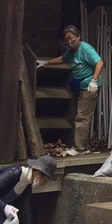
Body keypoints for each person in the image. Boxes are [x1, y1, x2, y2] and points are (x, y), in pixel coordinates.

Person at [40, 24, 103, 155]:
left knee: (82, 117)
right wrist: (45, 62)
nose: (69, 42)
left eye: (71, 38)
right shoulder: (71, 51)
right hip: (79, 84)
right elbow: (62, 59)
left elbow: (99, 63)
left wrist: (94, 80)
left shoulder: (86, 49)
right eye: (66, 40)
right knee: (77, 114)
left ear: (78, 37)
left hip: (89, 85)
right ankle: (84, 147)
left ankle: (79, 148)